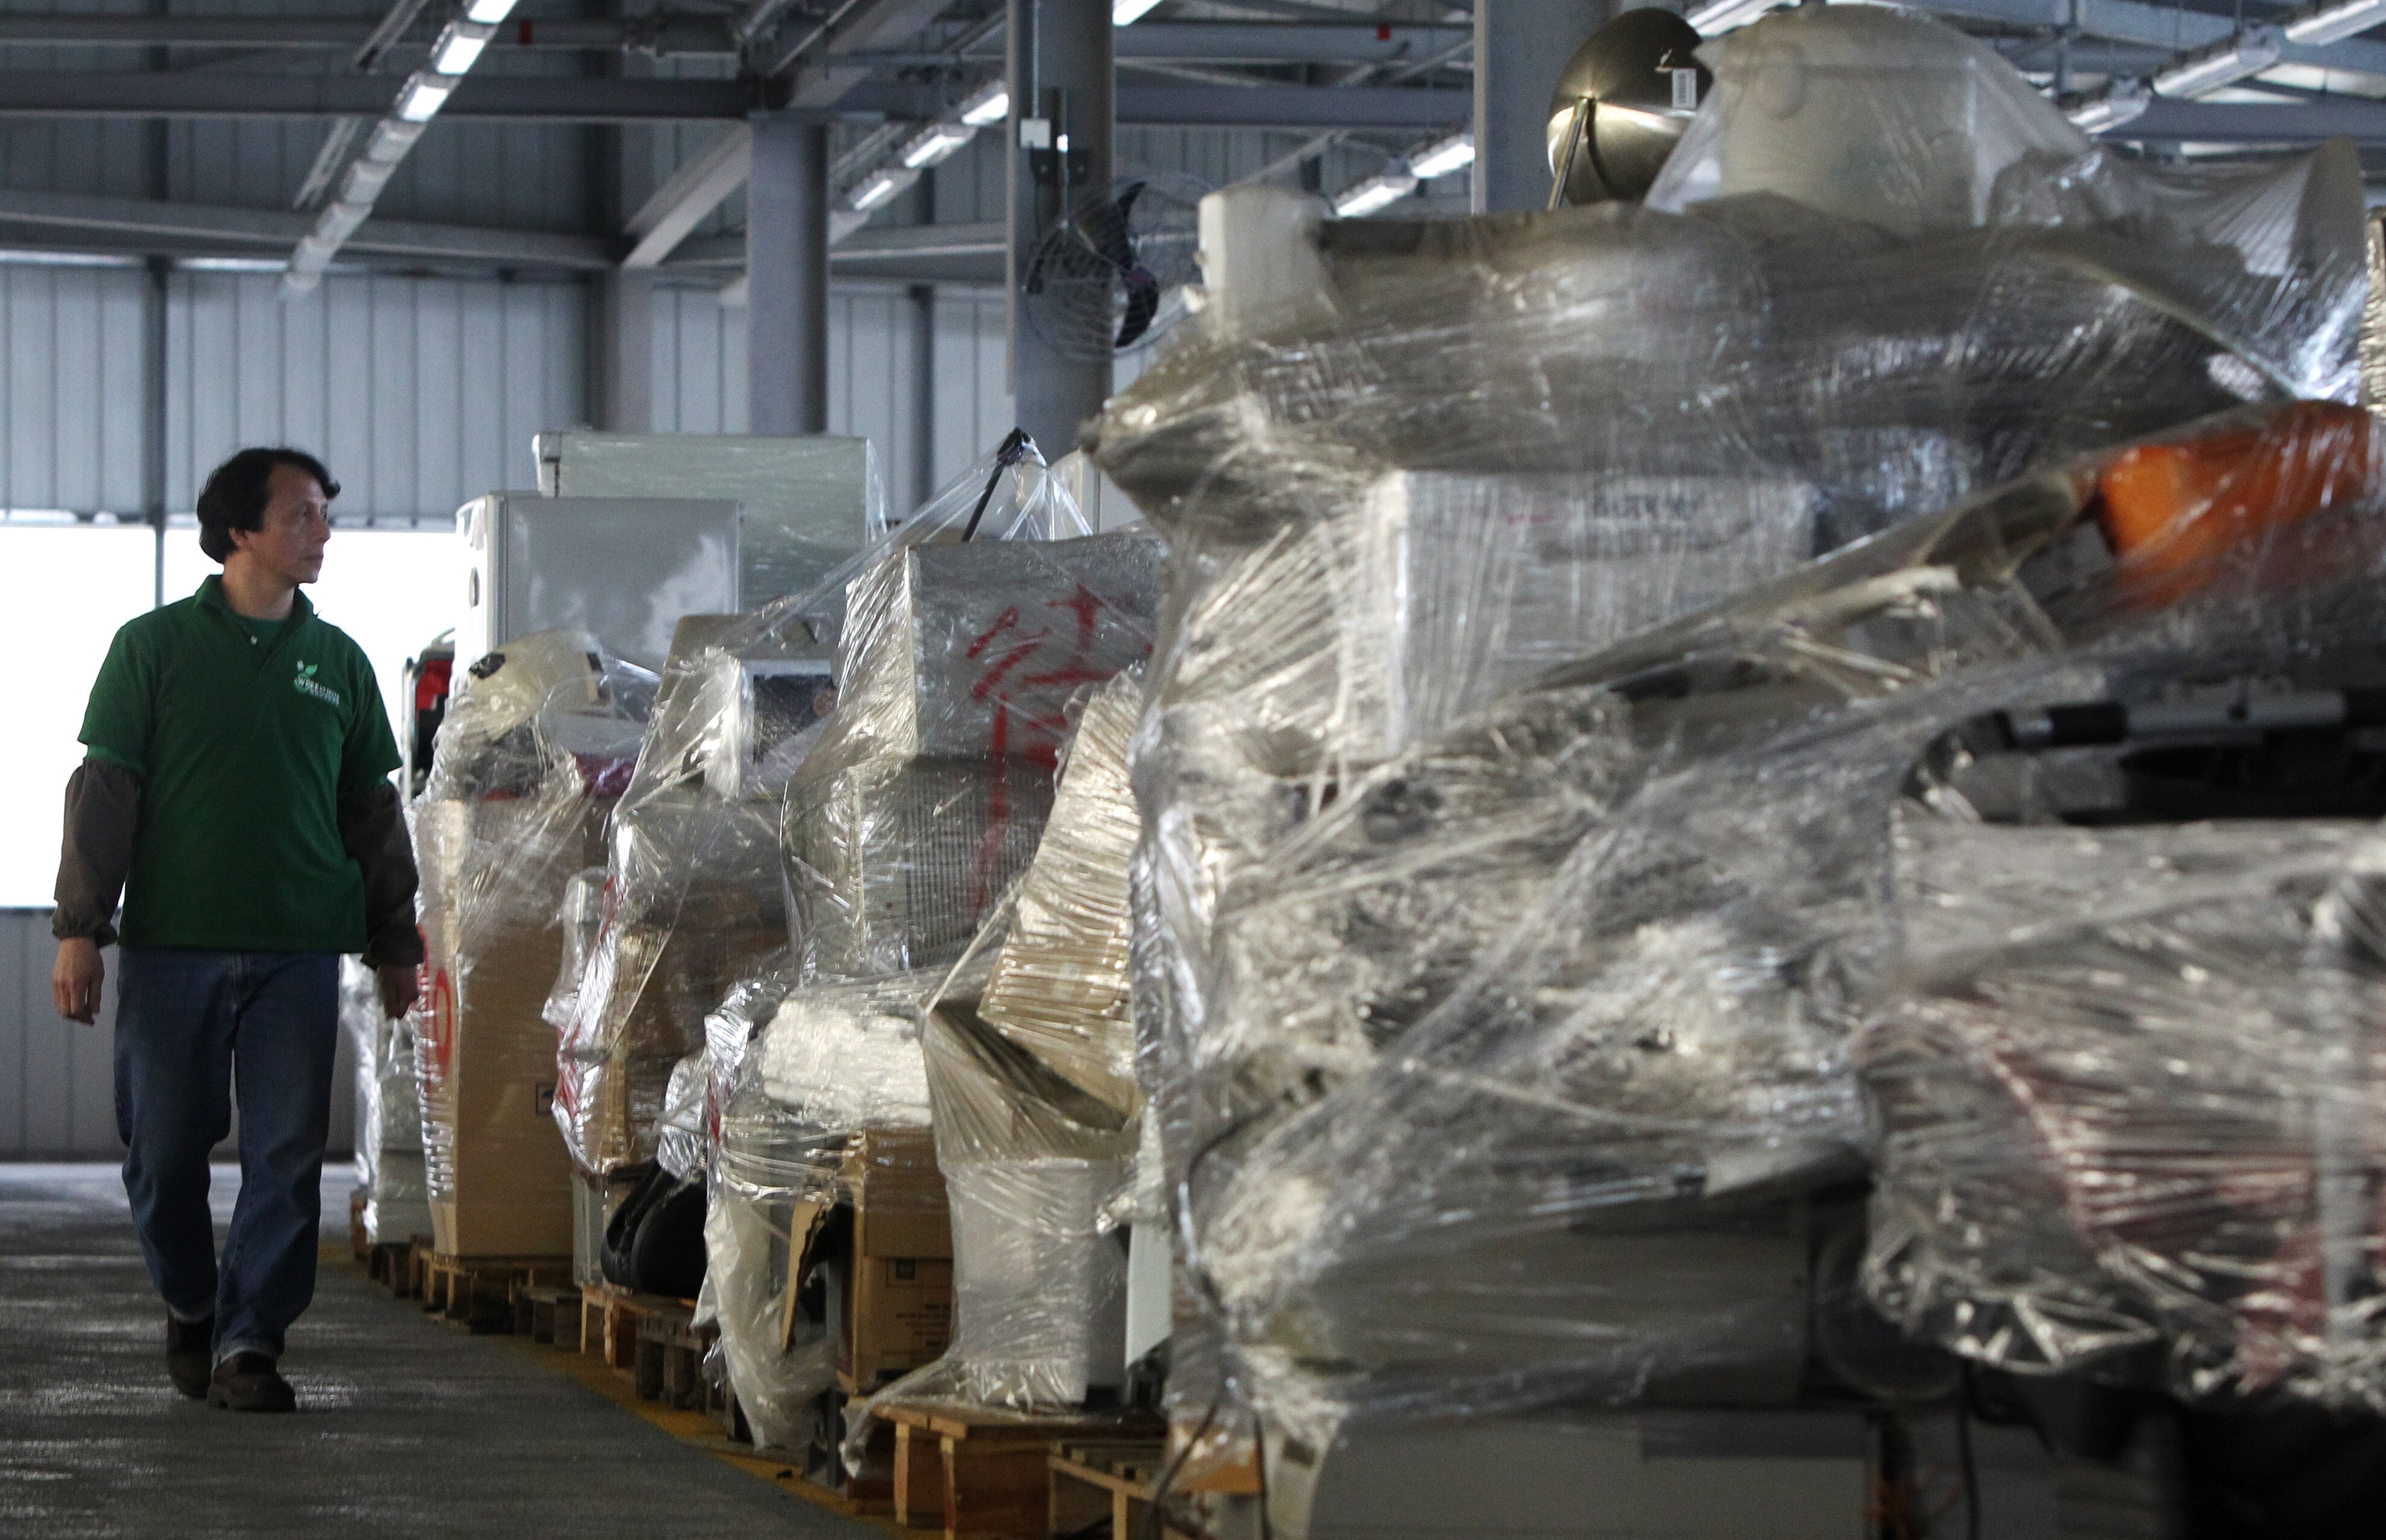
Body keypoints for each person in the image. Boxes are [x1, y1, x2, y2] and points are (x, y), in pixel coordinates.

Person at [49, 447, 421, 1414]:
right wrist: (80, 928)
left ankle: (250, 1341)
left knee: (287, 1153)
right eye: (303, 515)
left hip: (298, 948)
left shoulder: (336, 660)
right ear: (242, 530)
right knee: (163, 1149)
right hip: (176, 945)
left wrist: (395, 944)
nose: (324, 532)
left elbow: (372, 814)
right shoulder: (154, 647)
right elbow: (104, 794)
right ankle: (191, 1301)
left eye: (325, 515)